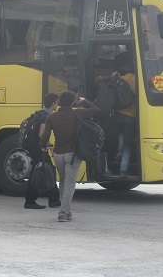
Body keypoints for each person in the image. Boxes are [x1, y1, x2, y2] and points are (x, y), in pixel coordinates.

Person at [40, 90, 100, 222]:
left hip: (58, 155)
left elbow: (45, 135)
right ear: (72, 102)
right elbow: (96, 110)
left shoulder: (52, 117)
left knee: (62, 180)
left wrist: (43, 146)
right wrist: (84, 101)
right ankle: (64, 212)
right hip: (72, 154)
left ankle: (65, 209)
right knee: (69, 183)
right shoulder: (77, 113)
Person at [24, 93, 61, 210]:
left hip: (35, 147)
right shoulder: (46, 116)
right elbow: (42, 134)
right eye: (57, 102)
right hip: (39, 148)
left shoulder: (40, 113)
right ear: (53, 103)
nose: (57, 104)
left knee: (45, 171)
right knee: (41, 172)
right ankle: (31, 201)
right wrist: (50, 146)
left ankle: (54, 200)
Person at [112, 51, 137, 178]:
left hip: (119, 114)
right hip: (131, 116)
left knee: (121, 133)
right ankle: (123, 169)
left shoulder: (122, 79)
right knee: (129, 144)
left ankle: (119, 152)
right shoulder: (137, 79)